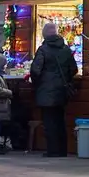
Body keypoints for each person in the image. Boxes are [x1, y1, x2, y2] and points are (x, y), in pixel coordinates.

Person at [30, 21, 78, 157]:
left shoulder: (43, 50)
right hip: (62, 90)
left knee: (49, 121)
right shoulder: (66, 49)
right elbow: (73, 69)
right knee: (60, 120)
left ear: (44, 35)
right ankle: (62, 150)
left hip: (46, 90)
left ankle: (53, 150)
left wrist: (38, 83)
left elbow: (35, 70)